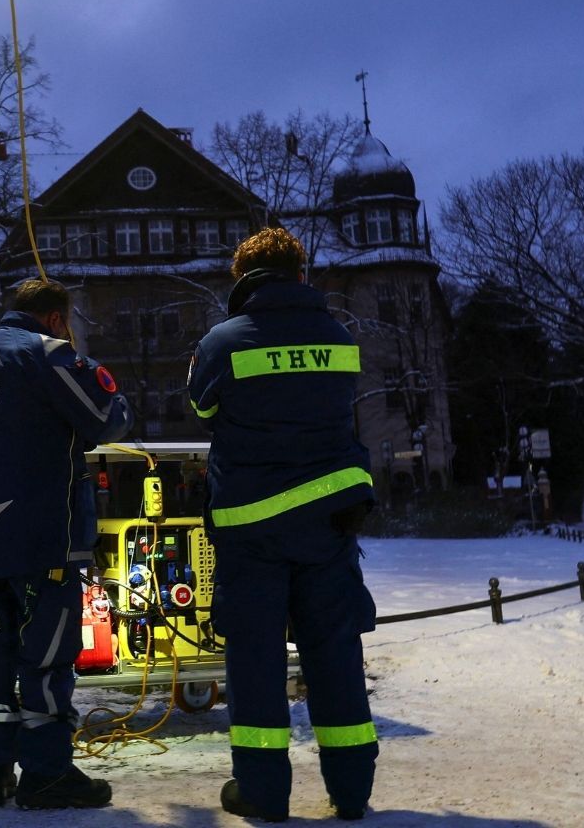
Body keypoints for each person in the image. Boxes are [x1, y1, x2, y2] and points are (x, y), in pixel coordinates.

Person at [188, 227, 379, 823]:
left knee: (256, 660)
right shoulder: (338, 336)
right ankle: (351, 791)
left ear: (242, 279)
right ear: (301, 273)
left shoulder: (224, 342)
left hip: (253, 531)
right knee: (335, 654)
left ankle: (264, 794)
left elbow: (202, 407)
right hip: (330, 524)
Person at [0, 277, 132, 810]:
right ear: (55, 318)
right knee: (45, 659)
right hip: (41, 539)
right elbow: (109, 417)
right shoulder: (47, 355)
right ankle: (47, 773)